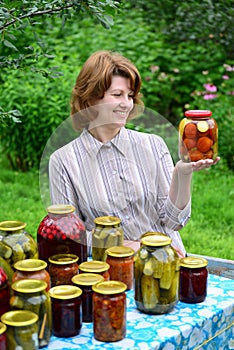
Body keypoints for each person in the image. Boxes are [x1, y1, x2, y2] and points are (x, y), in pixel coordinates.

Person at [48, 50, 219, 258]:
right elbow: (70, 235)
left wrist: (183, 174)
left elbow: (174, 222)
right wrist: (127, 246)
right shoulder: (63, 161)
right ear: (91, 98)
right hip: (111, 275)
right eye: (117, 95)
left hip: (168, 265)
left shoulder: (153, 145)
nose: (127, 103)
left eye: (130, 95)